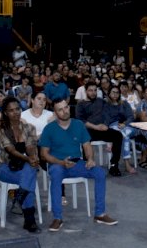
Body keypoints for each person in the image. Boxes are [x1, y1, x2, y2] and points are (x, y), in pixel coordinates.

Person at [39, 97, 118, 231]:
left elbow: (87, 145)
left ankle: (100, 214)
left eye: (66, 107)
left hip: (77, 163)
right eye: (60, 110)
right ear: (55, 113)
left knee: (99, 172)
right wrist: (60, 162)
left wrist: (90, 159)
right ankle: (57, 217)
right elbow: (44, 154)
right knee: (56, 174)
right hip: (58, 164)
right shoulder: (49, 129)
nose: (64, 111)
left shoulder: (78, 124)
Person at [0, 97, 41, 233]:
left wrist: (31, 156)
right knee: (30, 175)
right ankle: (28, 217)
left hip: (25, 166)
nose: (16, 113)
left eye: (17, 109)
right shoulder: (1, 130)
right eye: (11, 110)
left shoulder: (29, 128)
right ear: (5, 113)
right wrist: (29, 159)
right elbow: (10, 150)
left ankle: (28, 216)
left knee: (29, 171)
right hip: (5, 167)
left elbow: (30, 149)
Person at [76, 82, 125, 176]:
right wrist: (95, 127)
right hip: (89, 130)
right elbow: (80, 121)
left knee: (118, 135)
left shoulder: (101, 101)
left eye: (95, 90)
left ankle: (114, 165)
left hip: (102, 129)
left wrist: (106, 125)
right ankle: (88, 166)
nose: (93, 93)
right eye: (90, 90)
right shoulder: (81, 104)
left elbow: (107, 114)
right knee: (85, 137)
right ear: (86, 91)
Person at [104, 85, 137, 175]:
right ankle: (127, 164)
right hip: (113, 126)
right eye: (113, 92)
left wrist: (124, 124)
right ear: (109, 94)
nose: (115, 94)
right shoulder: (106, 104)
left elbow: (130, 116)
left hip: (126, 126)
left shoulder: (124, 103)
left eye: (117, 92)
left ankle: (111, 144)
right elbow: (106, 120)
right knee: (124, 136)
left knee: (125, 133)